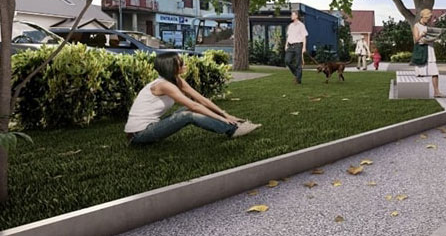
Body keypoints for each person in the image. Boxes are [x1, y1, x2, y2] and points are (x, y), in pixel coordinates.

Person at [124, 51, 258, 144]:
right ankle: (232, 129)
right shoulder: (163, 85)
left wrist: (226, 114)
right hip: (138, 135)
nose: (184, 65)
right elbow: (193, 106)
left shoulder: (176, 80)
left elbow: (201, 99)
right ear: (171, 67)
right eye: (180, 63)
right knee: (187, 114)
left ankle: (232, 125)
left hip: (152, 126)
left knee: (187, 109)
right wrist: (222, 119)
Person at [411, 8, 446, 98]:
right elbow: (415, 40)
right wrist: (422, 35)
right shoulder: (416, 26)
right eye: (428, 18)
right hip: (422, 50)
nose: (429, 20)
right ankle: (418, 94)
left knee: (435, 72)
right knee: (421, 73)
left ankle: (436, 92)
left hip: (430, 50)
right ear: (424, 17)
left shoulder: (428, 26)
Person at [285, 9, 308, 84]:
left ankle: (298, 80)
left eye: (292, 15)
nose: (291, 16)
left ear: (297, 16)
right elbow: (288, 36)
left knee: (298, 63)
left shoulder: (301, 25)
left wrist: (304, 47)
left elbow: (304, 37)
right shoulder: (290, 26)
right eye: (291, 15)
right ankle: (297, 74)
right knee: (287, 61)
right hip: (290, 46)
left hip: (298, 45)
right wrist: (286, 45)